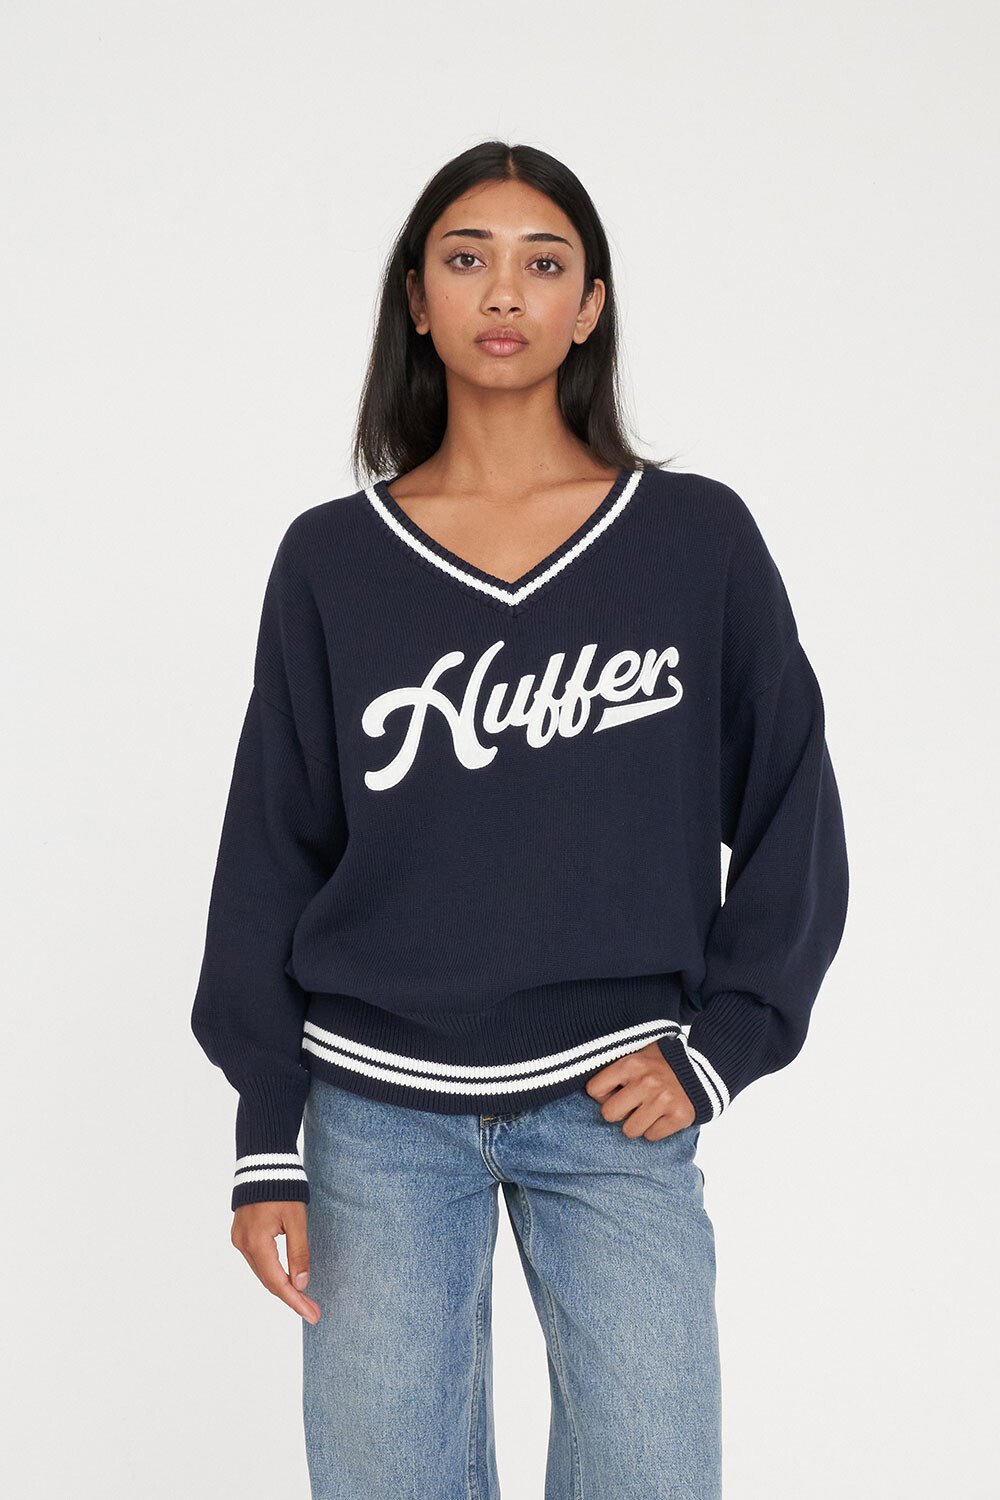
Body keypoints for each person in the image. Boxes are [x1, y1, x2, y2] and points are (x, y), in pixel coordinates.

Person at [191, 140, 850, 1500]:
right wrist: (267, 1140)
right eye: (467, 258)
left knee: (656, 1478)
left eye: (544, 262)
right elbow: (271, 850)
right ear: (418, 300)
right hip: (375, 1107)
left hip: (618, 1099)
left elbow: (792, 802)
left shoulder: (695, 540)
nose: (505, 291)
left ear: (589, 306)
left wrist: (725, 1045)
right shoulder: (332, 559)